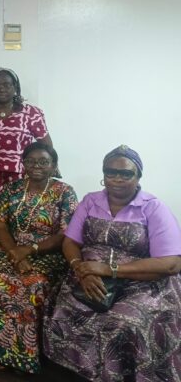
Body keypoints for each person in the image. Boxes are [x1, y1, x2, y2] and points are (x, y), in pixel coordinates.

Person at [44, 145, 181, 381]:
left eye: (126, 173)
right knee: (70, 308)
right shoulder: (91, 201)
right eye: (110, 172)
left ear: (138, 176)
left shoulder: (153, 207)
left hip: (142, 282)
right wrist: (81, 269)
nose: (117, 178)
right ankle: (87, 371)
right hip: (91, 276)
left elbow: (171, 264)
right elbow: (70, 242)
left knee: (122, 322)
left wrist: (110, 269)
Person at [0, 142, 78, 373]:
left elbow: (66, 233)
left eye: (44, 162)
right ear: (23, 163)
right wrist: (15, 253)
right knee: (0, 280)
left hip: (48, 252)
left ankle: (24, 355)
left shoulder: (64, 192)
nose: (37, 166)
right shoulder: (12, 189)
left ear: (53, 165)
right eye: (31, 161)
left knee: (32, 284)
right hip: (9, 249)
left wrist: (30, 250)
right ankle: (4, 351)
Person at [0, 68, 52, 194]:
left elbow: (46, 145)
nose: (1, 89)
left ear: (15, 87)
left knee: (16, 207)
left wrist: (42, 170)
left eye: (6, 85)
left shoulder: (31, 113)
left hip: (21, 175)